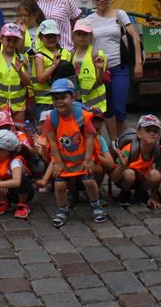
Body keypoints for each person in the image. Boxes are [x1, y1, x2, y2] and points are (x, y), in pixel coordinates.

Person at [44, 77, 108, 226]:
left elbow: (90, 138)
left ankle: (96, 205)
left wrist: (88, 159)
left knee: (89, 182)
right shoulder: (52, 118)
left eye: (63, 97)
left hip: (82, 159)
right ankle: (62, 209)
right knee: (59, 185)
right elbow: (52, 141)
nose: (59, 102)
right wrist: (58, 162)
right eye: (56, 98)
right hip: (64, 160)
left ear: (73, 97)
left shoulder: (82, 116)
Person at [84, 0, 143, 141]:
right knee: (107, 110)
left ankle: (126, 141)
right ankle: (114, 144)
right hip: (100, 70)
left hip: (119, 67)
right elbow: (84, 43)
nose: (101, 0)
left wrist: (138, 63)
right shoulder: (89, 20)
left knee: (119, 110)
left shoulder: (119, 14)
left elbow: (134, 36)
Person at [112, 114, 161, 209]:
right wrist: (122, 166)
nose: (152, 133)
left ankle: (142, 192)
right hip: (124, 179)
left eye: (155, 131)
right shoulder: (128, 149)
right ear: (139, 134)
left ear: (159, 135)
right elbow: (114, 178)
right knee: (129, 174)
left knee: (156, 174)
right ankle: (125, 193)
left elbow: (160, 173)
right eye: (148, 130)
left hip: (142, 178)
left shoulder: (159, 150)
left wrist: (153, 196)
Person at [0, 23, 31, 124]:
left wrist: (20, 72)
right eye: (8, 40)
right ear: (1, 39)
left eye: (15, 41)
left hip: (18, 107)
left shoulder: (22, 59)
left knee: (19, 130)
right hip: (0, 106)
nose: (11, 44)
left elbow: (28, 82)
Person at [33, 20, 69, 123]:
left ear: (59, 36)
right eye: (47, 36)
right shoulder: (39, 56)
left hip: (63, 99)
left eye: (54, 35)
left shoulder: (65, 53)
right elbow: (40, 78)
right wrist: (54, 65)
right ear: (41, 37)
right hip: (45, 102)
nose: (51, 39)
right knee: (46, 129)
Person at [70, 21, 108, 116]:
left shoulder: (97, 54)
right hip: (80, 101)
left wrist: (100, 69)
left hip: (96, 102)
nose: (82, 37)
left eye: (85, 34)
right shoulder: (72, 54)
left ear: (90, 36)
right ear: (74, 36)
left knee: (95, 125)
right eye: (79, 34)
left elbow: (100, 81)